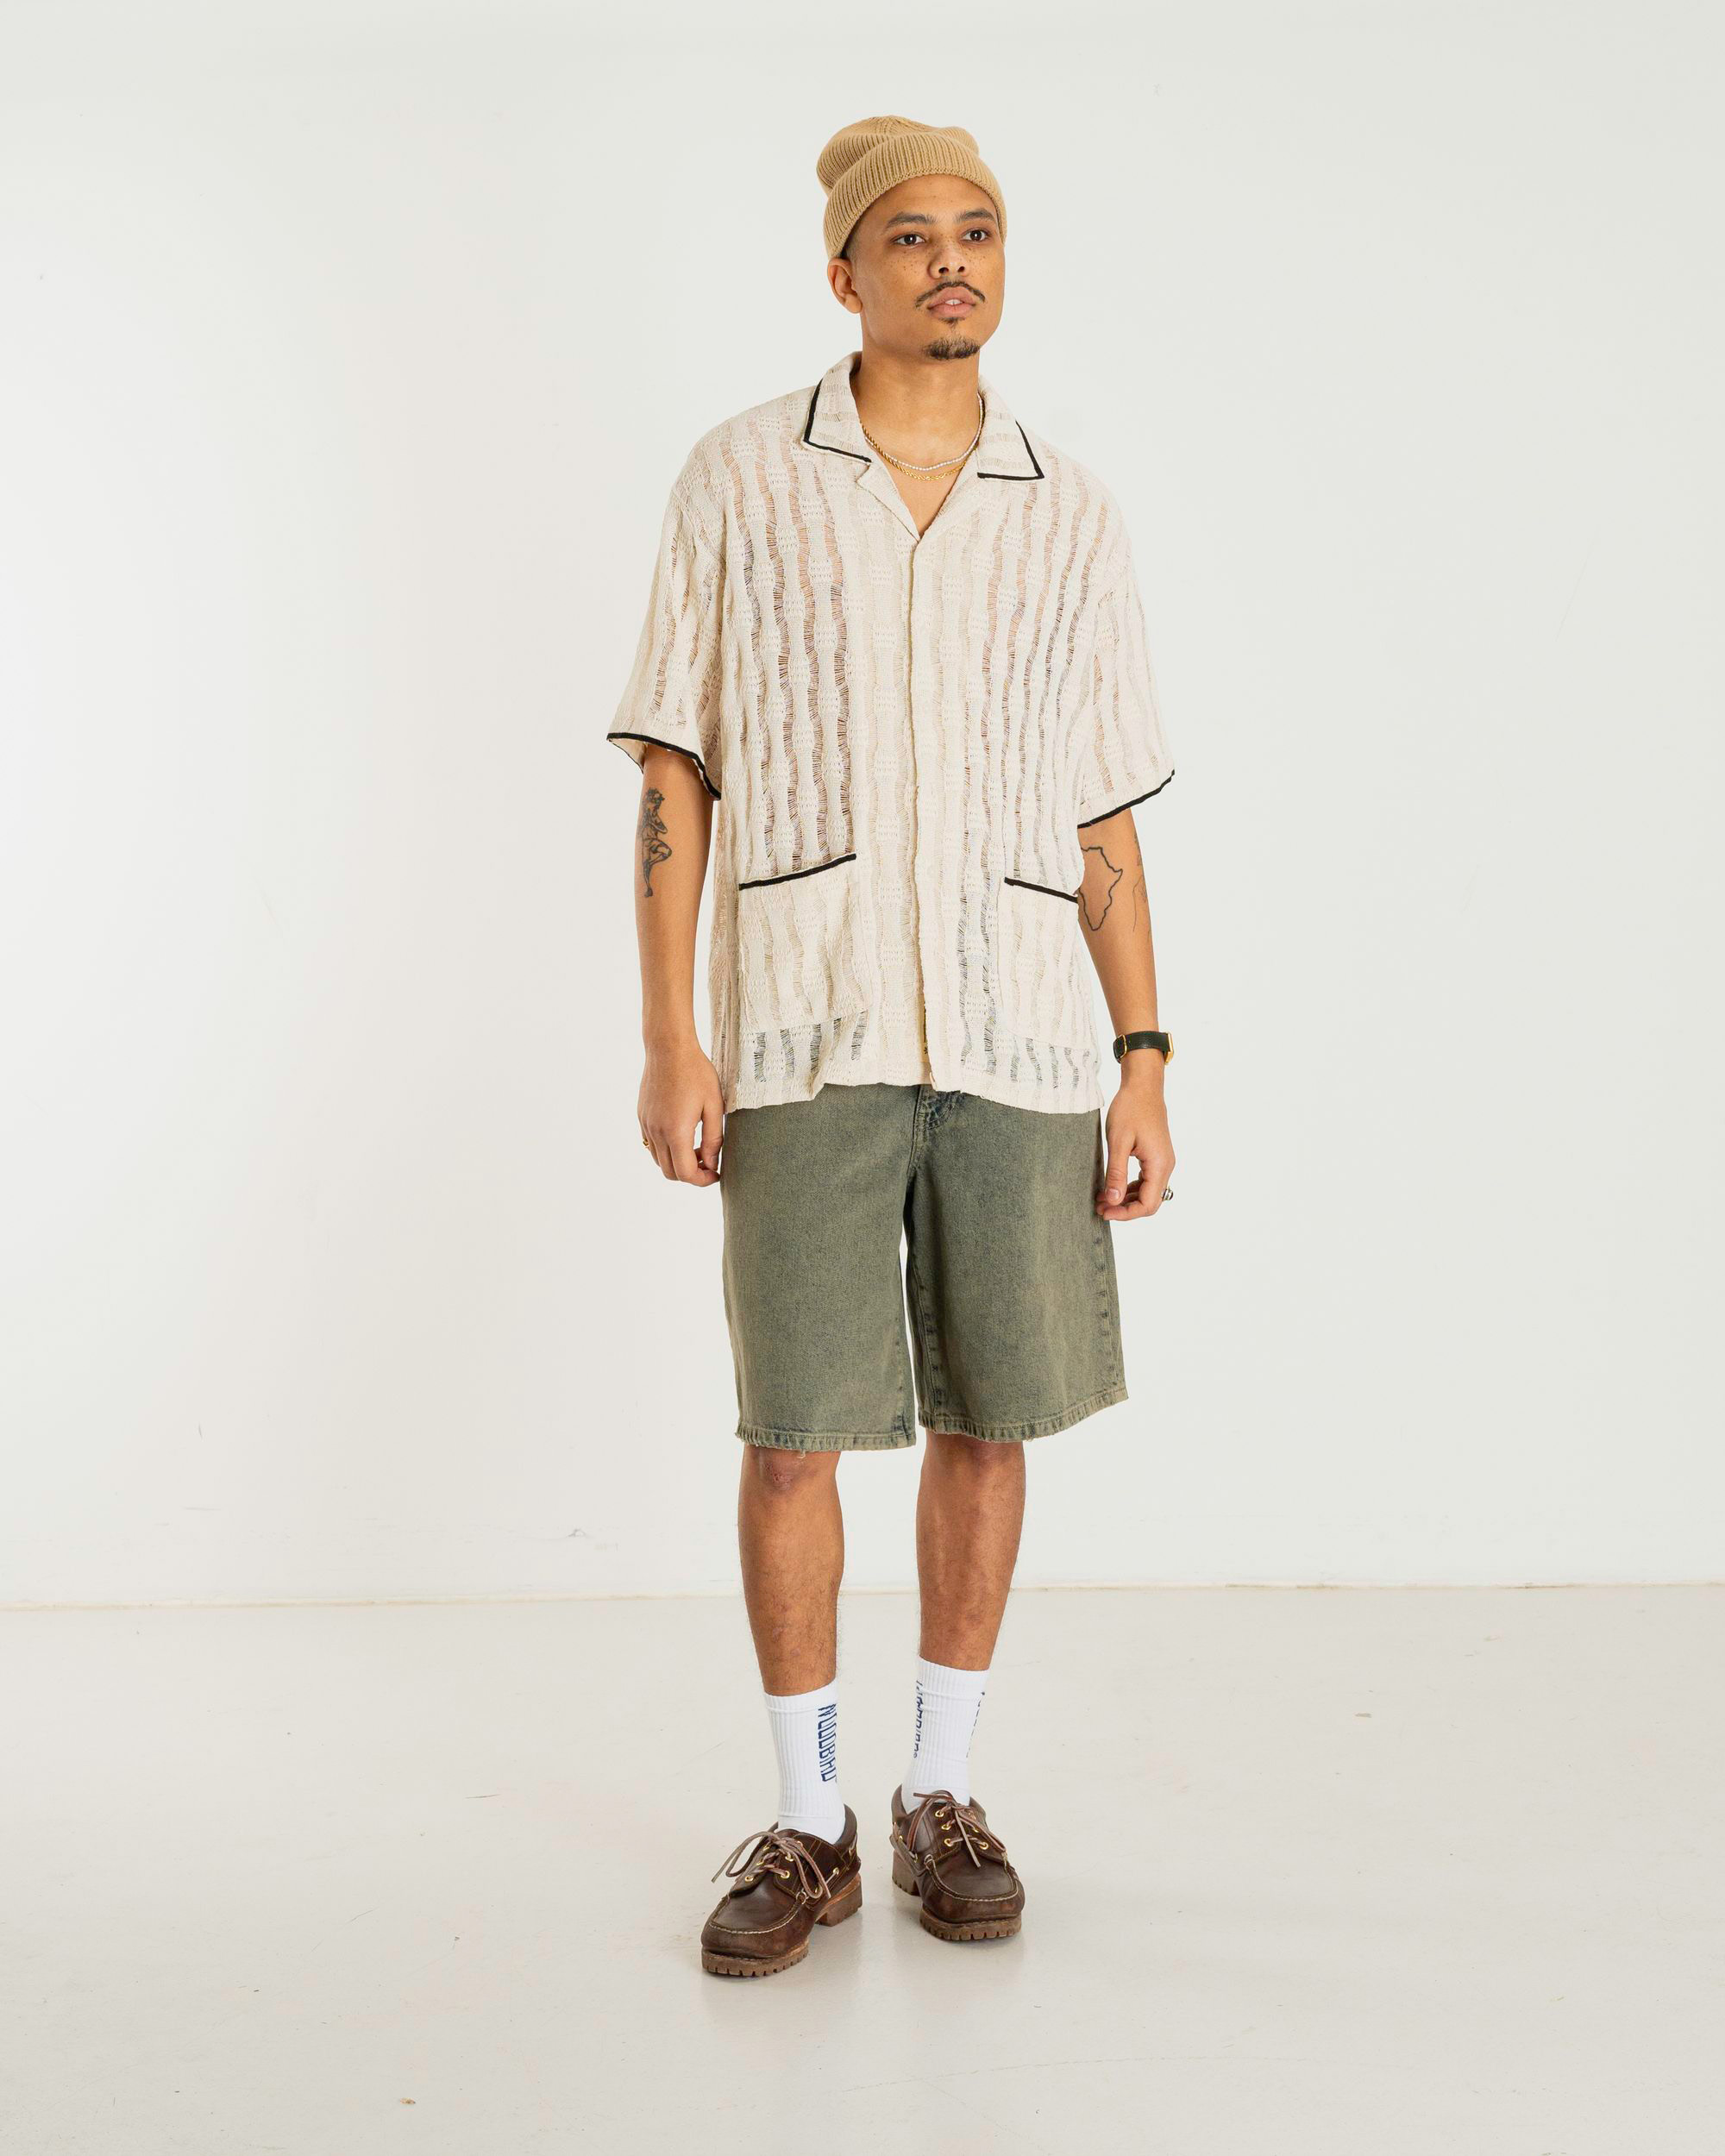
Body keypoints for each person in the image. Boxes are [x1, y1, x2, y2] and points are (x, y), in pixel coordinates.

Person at [606, 115, 1176, 1978]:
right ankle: (810, 1812)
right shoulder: (739, 478)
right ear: (843, 271)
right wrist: (671, 1034)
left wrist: (1144, 1052)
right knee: (794, 1432)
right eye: (912, 235)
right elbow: (674, 768)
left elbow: (1102, 809)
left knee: (989, 1413)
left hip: (1019, 1035)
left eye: (980, 231)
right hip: (804, 1026)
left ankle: (943, 1787)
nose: (952, 261)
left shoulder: (1067, 509)